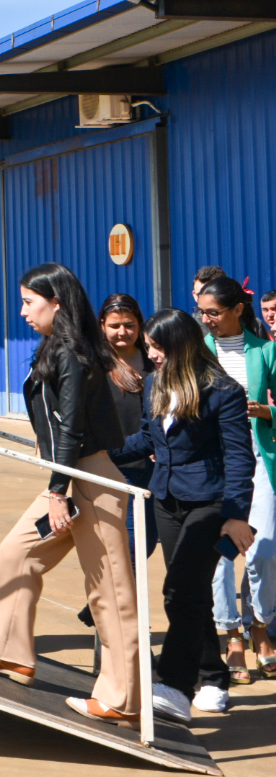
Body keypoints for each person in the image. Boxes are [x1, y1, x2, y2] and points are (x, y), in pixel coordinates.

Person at [0, 263, 141, 729]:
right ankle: (8, 651)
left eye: (29, 302)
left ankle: (122, 699)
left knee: (110, 592)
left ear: (57, 302)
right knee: (17, 552)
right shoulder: (54, 348)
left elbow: (71, 427)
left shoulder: (73, 352)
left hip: (88, 479)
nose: (23, 311)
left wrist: (58, 491)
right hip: (68, 478)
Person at [111, 307, 257, 724]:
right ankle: (212, 676)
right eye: (149, 347)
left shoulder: (222, 390)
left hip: (210, 502)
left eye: (157, 347)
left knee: (181, 591)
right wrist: (101, 452)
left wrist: (236, 515)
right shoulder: (154, 383)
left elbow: (239, 457)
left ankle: (175, 686)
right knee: (190, 595)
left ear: (180, 345)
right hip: (167, 498)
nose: (151, 354)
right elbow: (147, 438)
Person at [197, 276, 276, 695]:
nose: (206, 319)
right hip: (214, 465)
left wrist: (265, 411)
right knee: (220, 556)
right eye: (202, 312)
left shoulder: (266, 351)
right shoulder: (197, 352)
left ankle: (260, 624)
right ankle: (232, 636)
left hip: (259, 460)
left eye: (213, 312)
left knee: (264, 551)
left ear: (237, 310)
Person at [100, 293, 157, 559]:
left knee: (148, 542)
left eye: (129, 325)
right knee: (132, 548)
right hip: (116, 468)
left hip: (157, 469)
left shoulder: (155, 361)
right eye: (114, 325)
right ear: (102, 326)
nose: (122, 332)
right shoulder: (94, 366)